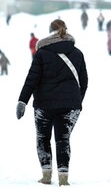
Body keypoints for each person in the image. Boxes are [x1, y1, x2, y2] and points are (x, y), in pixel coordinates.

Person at [16, 19, 88, 186]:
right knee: (63, 139)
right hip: (70, 105)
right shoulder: (77, 53)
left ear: (49, 32)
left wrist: (22, 101)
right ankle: (63, 179)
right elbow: (84, 82)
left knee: (43, 138)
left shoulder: (41, 53)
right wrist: (76, 99)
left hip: (44, 104)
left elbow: (32, 79)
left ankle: (46, 176)